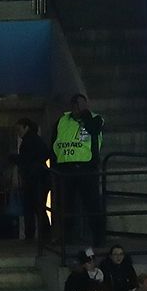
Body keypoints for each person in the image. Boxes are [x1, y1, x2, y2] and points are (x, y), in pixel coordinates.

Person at [52, 93, 105, 252]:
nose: (78, 107)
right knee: (66, 205)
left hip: (86, 167)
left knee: (92, 204)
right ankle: (66, 237)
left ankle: (98, 237)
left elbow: (93, 129)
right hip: (65, 169)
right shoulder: (62, 120)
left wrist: (85, 114)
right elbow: (54, 142)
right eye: (75, 104)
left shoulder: (95, 118)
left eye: (81, 104)